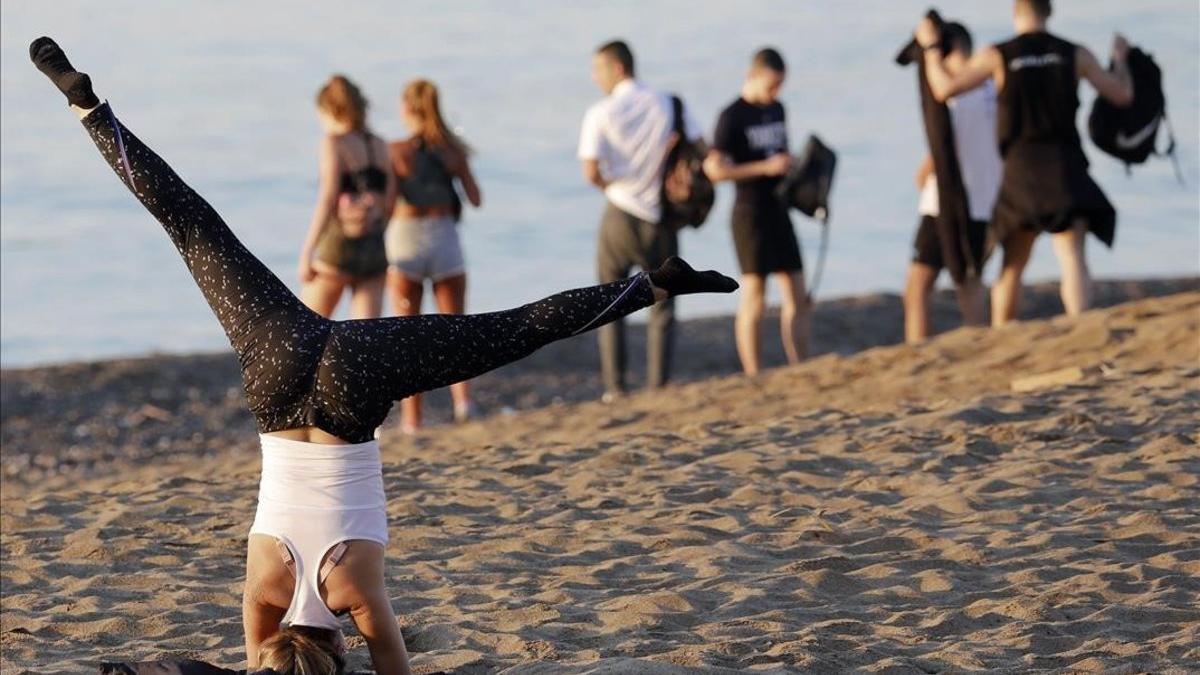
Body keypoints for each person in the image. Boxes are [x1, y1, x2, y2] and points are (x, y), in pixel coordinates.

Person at [31, 36, 737, 675]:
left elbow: (391, 667)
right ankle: (90, 109)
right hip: (277, 374)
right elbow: (260, 665)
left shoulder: (356, 594)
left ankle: (652, 283)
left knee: (512, 331)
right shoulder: (265, 596)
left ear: (339, 649)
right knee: (191, 225)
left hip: (356, 378)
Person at [915, 0, 1133, 325]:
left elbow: (945, 88)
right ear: (1049, 12)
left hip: (1019, 169)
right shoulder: (1074, 53)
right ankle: (1078, 325)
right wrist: (1120, 58)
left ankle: (1004, 331)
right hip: (1063, 163)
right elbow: (1122, 95)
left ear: (1015, 13)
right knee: (1072, 255)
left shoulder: (998, 54)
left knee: (1012, 264)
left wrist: (931, 47)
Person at [578, 39, 704, 400]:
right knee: (664, 301)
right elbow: (701, 147)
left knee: (609, 301)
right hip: (660, 215)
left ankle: (616, 387)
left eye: (597, 68)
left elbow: (590, 170)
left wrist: (609, 186)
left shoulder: (601, 112)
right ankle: (659, 383)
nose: (594, 76)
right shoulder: (669, 103)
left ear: (618, 68)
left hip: (619, 212)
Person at [386, 79, 482, 433]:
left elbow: (387, 203)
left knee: (408, 334)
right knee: (455, 327)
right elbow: (475, 197)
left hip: (405, 240)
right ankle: (464, 404)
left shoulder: (395, 151)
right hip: (444, 238)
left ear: (407, 108)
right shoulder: (453, 150)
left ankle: (413, 420)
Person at [703, 48, 807, 376]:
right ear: (753, 76)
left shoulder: (777, 109)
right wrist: (764, 167)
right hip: (749, 212)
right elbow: (715, 171)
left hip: (779, 208)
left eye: (780, 86)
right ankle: (754, 371)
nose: (775, 93)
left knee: (797, 289)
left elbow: (779, 154)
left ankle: (801, 364)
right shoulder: (731, 116)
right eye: (771, 85)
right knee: (755, 293)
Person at [904, 23, 1002, 343]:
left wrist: (923, 173)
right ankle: (980, 339)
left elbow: (944, 146)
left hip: (946, 199)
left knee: (918, 285)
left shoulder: (957, 91)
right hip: (986, 199)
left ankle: (917, 349)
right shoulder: (991, 87)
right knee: (969, 280)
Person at [297, 75, 396, 320]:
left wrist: (307, 252)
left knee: (304, 328)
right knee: (366, 339)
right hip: (374, 246)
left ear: (328, 110)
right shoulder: (381, 145)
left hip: (339, 245)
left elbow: (328, 198)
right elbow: (390, 200)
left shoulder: (334, 143)